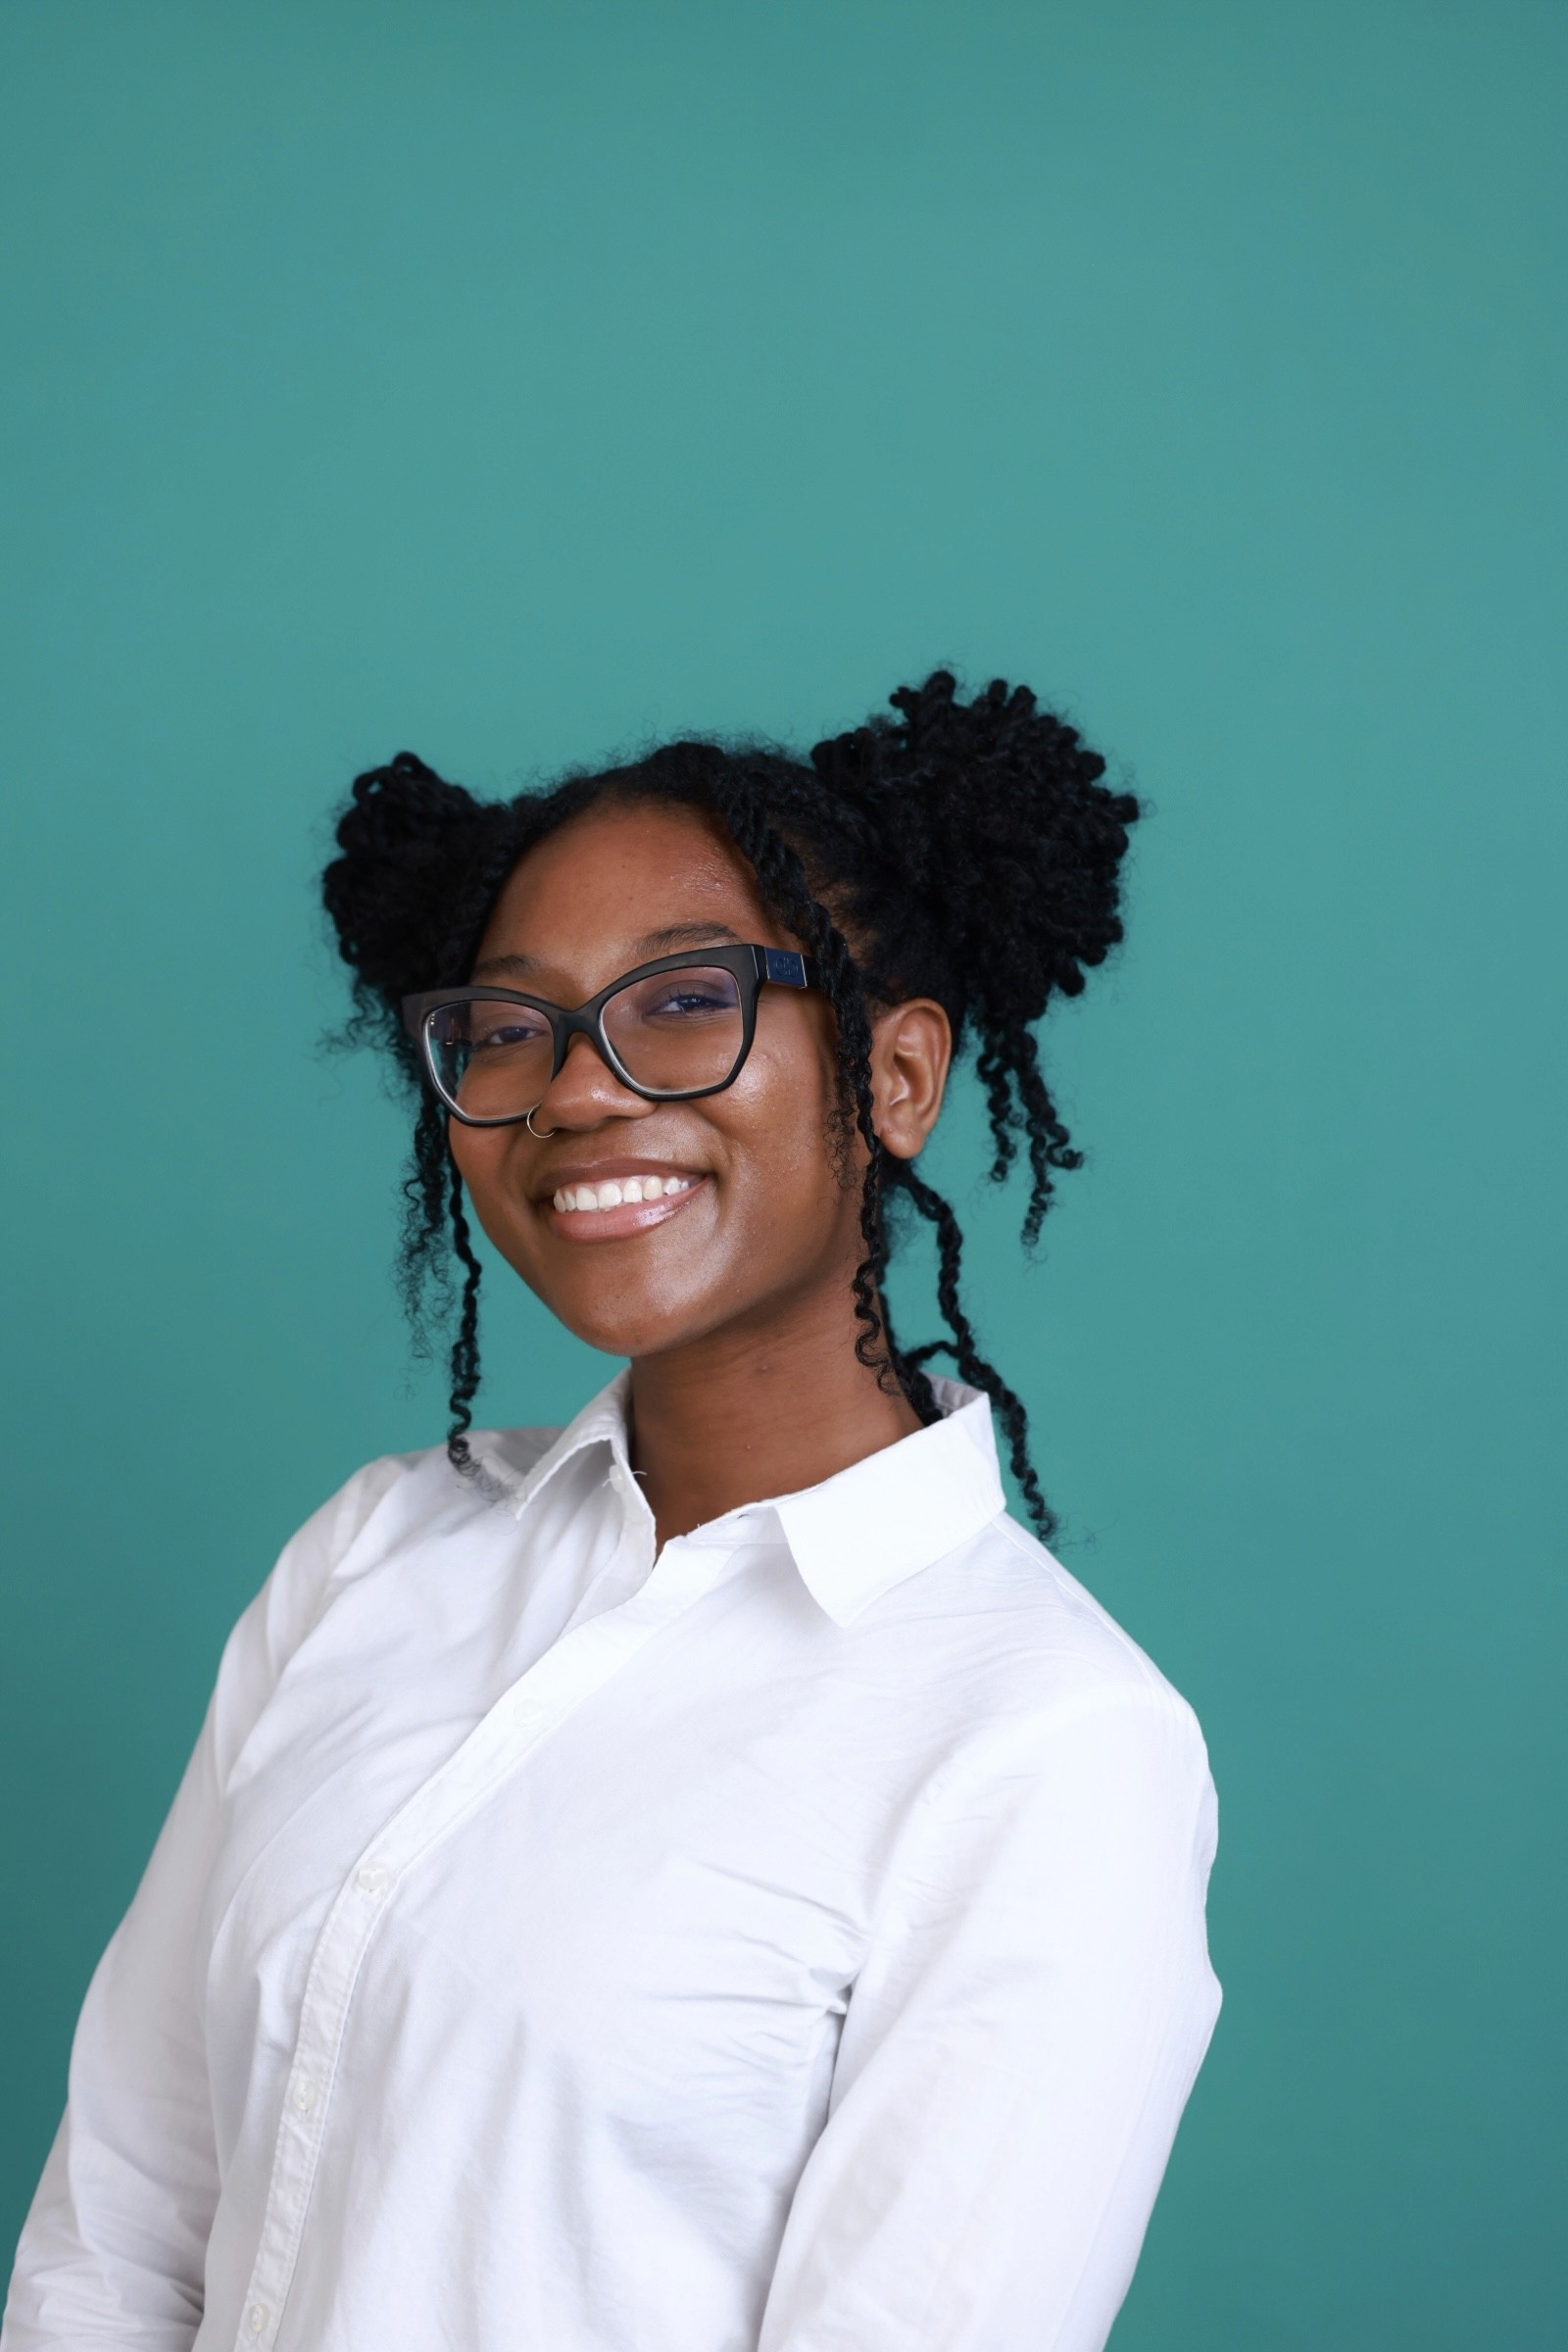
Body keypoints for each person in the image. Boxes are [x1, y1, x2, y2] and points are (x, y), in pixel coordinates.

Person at [3, 671, 1220, 2351]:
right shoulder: (372, 1554)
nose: (574, 1090)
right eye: (508, 1028)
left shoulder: (1045, 1746)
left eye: (684, 1002)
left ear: (899, 1074)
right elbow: (122, 2227)